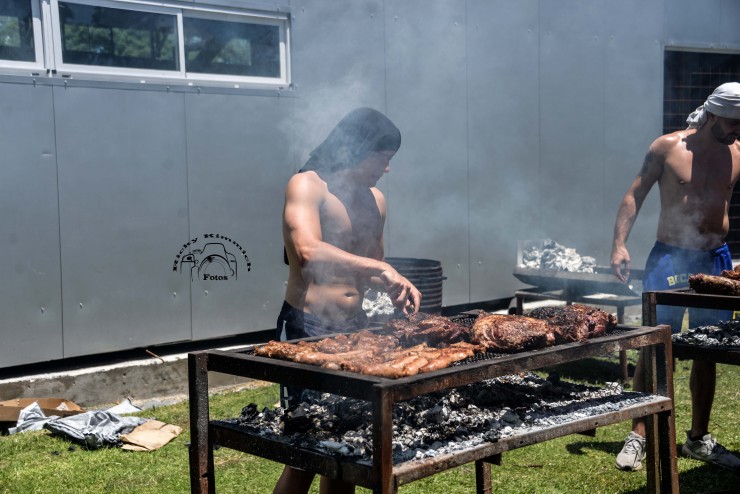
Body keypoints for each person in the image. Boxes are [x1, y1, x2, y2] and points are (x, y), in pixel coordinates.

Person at [273, 107, 422, 494]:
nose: (386, 169)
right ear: (357, 148)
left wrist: (392, 283)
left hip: (354, 329)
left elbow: (371, 269)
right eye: (382, 159)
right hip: (308, 326)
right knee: (305, 451)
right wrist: (380, 267)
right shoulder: (307, 185)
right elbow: (306, 251)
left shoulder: (376, 200)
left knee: (348, 450)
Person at [610, 82, 740, 472]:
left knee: (709, 350)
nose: (738, 131)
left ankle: (698, 439)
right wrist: (619, 245)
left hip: (715, 260)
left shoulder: (738, 150)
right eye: (733, 123)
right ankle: (639, 434)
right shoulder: (667, 147)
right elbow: (635, 193)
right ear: (713, 115)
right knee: (655, 346)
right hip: (668, 257)